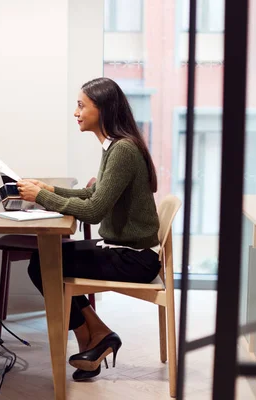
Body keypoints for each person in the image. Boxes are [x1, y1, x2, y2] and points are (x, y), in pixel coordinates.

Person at [16, 77, 161, 381]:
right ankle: (95, 337)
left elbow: (94, 212)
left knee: (44, 263)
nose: (76, 112)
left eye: (81, 105)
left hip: (133, 259)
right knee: (45, 261)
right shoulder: (116, 146)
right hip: (127, 250)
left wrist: (41, 197)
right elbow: (92, 195)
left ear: (103, 109)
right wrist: (48, 188)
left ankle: (94, 337)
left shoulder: (122, 150)